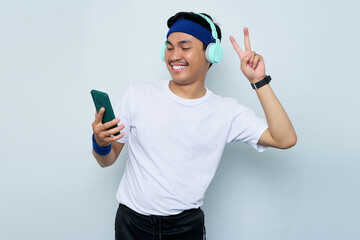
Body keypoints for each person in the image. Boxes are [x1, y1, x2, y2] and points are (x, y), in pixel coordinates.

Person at [91, 11, 297, 240]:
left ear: (211, 53)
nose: (174, 55)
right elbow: (106, 161)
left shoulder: (226, 111)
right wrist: (100, 143)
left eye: (184, 46)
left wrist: (258, 80)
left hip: (185, 229)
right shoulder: (137, 94)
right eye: (169, 47)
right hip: (131, 225)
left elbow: (284, 138)